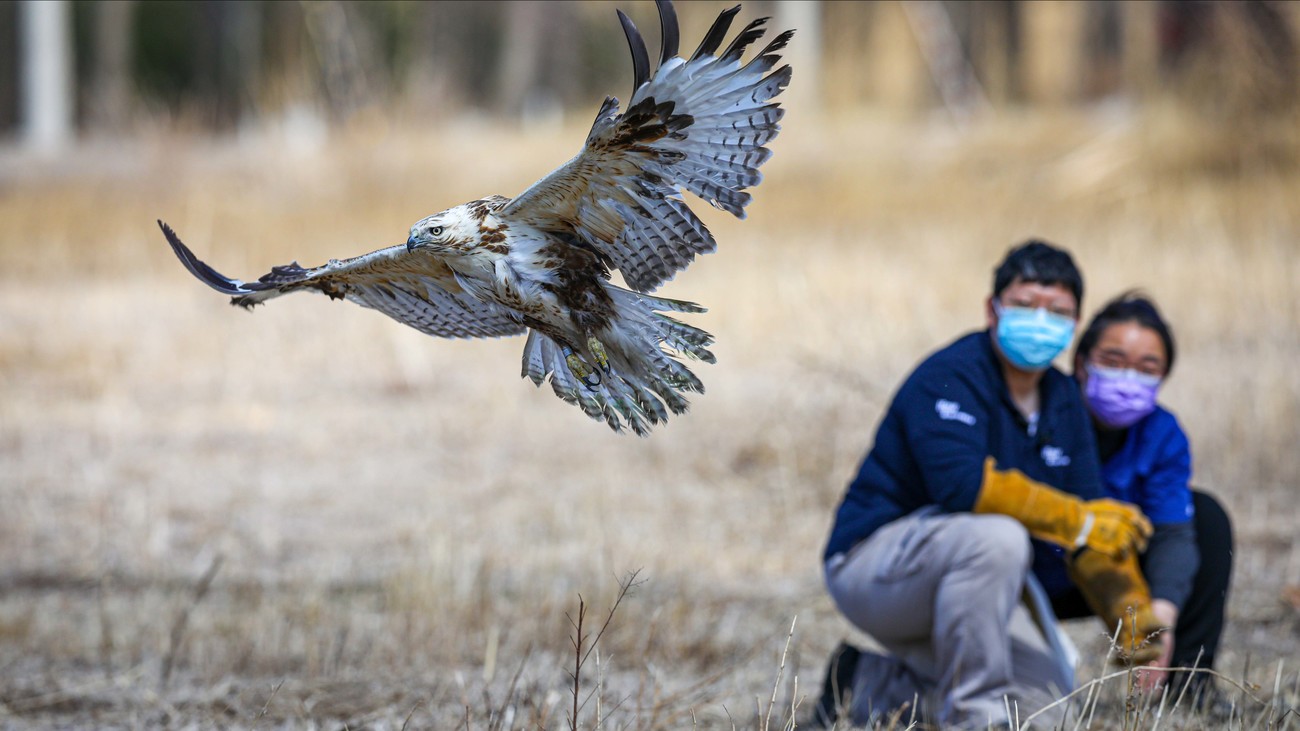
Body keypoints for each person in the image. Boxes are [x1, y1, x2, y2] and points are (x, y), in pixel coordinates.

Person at [812, 241, 1157, 730]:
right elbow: (963, 489)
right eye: (1024, 305)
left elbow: (1092, 526)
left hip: (979, 580)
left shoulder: (1064, 400)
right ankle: (976, 718)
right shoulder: (949, 375)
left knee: (1047, 714)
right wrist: (1077, 519)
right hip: (875, 564)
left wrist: (1133, 616)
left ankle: (865, 682)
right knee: (998, 536)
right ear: (991, 310)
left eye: (1057, 311)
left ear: (1075, 323)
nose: (1040, 319)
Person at [1045, 292, 1233, 701]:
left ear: (1163, 377)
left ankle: (1189, 682)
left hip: (1116, 578)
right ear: (1081, 363)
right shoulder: (1041, 410)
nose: (1128, 378)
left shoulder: (1162, 432)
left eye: (1147, 368)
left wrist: (1157, 619)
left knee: (1207, 519)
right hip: (1034, 572)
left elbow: (1172, 532)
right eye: (1113, 362)